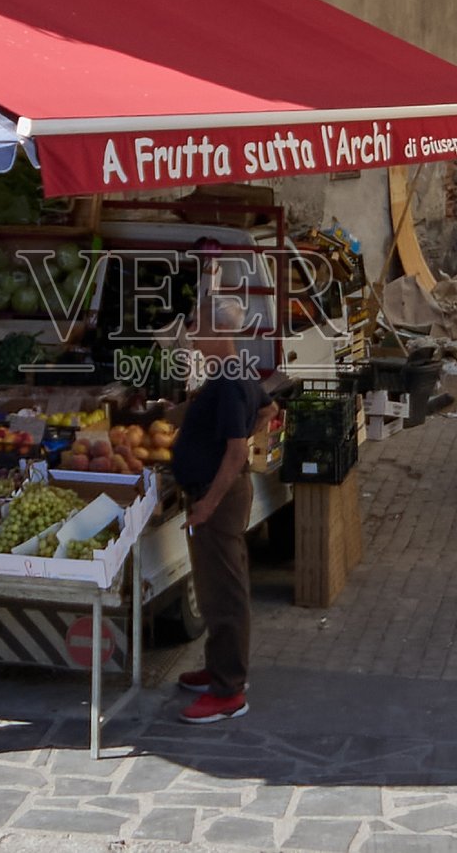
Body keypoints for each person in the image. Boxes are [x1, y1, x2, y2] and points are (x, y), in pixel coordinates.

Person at [172, 295, 275, 724]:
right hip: (215, 496)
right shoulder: (235, 372)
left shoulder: (230, 381)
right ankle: (218, 668)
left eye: (197, 325)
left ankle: (229, 691)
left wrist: (208, 504)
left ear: (217, 332)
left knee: (226, 593)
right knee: (215, 589)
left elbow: (235, 453)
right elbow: (269, 409)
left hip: (217, 499)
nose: (192, 333)